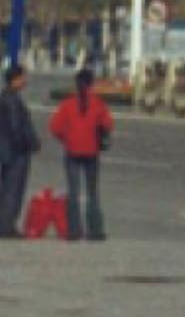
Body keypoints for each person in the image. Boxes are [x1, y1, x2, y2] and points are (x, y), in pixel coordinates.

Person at [49, 65, 114, 242]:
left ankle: (73, 230)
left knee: (73, 191)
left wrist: (66, 138)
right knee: (92, 192)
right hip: (91, 151)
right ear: (91, 84)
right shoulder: (98, 104)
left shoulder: (67, 104)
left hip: (72, 151)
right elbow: (108, 125)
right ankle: (95, 230)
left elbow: (54, 127)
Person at [0, 65, 40, 238]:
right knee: (13, 190)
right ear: (15, 79)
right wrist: (29, 143)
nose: (26, 80)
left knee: (7, 188)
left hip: (6, 151)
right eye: (23, 77)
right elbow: (16, 127)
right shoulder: (12, 100)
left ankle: (5, 223)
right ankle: (6, 226)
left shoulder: (6, 97)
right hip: (15, 152)